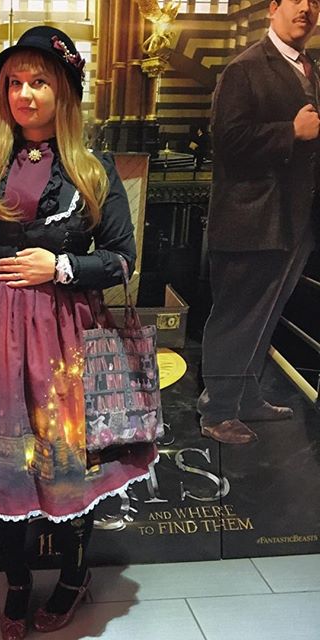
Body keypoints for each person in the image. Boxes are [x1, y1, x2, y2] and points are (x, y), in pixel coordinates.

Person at [0, 26, 157, 639]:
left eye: (39, 83)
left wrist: (62, 266)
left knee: (67, 460)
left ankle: (74, 577)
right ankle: (18, 581)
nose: (24, 95)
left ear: (65, 91)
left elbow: (123, 260)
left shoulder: (93, 170)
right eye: (13, 83)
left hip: (65, 336)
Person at [197, 0, 320, 444]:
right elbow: (227, 142)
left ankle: (246, 399)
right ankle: (217, 411)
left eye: (315, 2)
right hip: (250, 222)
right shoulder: (245, 68)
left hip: (293, 224)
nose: (306, 8)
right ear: (273, 9)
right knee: (236, 319)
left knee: (264, 318)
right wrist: (291, 131)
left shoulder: (309, 68)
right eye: (296, 0)